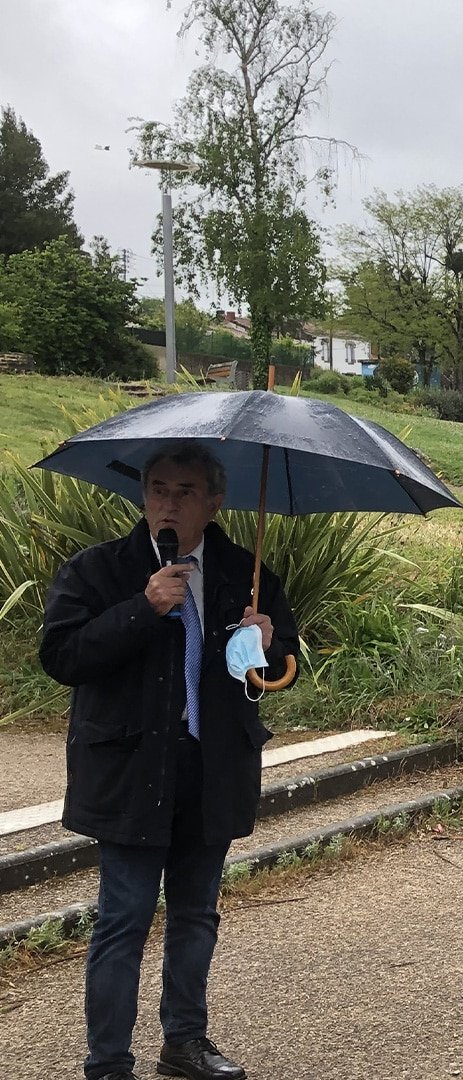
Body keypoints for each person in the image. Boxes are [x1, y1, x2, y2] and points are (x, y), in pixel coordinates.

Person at [40, 443, 299, 1080]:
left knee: (195, 914)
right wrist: (143, 607)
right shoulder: (99, 569)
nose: (169, 503)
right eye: (158, 488)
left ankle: (184, 1043)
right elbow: (62, 658)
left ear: (214, 502)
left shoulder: (246, 570)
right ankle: (108, 1063)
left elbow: (283, 666)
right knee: (124, 918)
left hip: (211, 770)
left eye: (186, 492)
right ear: (143, 496)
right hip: (131, 770)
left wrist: (265, 643)